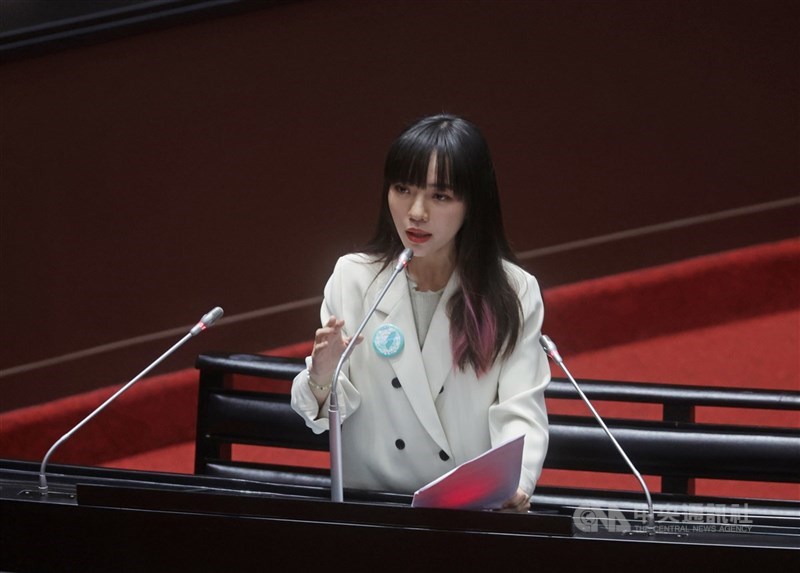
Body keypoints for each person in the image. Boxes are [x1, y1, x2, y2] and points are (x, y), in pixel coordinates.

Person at [290, 113, 549, 512]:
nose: (416, 212)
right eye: (402, 189)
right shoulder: (353, 278)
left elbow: (521, 411)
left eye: (440, 196)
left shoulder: (513, 291)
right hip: (371, 508)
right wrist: (320, 378)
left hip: (465, 511)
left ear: (473, 203)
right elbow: (322, 415)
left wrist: (514, 484)